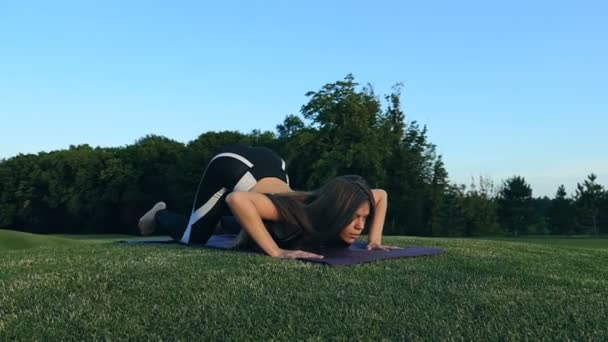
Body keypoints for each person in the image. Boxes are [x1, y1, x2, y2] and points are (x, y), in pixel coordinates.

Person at [138, 143, 399, 259]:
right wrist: (276, 252)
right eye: (355, 217)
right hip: (234, 167)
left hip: (274, 166)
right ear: (336, 210)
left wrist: (375, 241)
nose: (360, 226)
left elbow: (381, 194)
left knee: (252, 225)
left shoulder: (331, 203)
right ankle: (158, 214)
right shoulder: (296, 211)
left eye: (364, 218)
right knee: (193, 238)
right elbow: (238, 199)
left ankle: (229, 225)